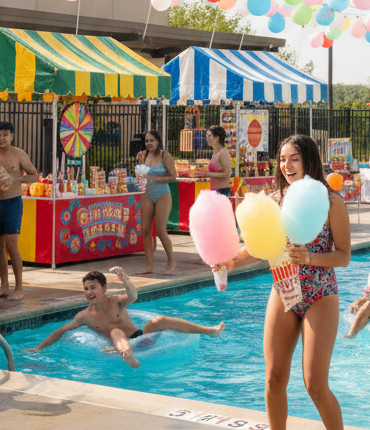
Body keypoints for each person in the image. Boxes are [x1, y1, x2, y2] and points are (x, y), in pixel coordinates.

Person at [215, 133, 352, 430]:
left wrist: (310, 256)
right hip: (284, 289)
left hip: (320, 292)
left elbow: (344, 255)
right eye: (282, 159)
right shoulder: (272, 201)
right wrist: (230, 262)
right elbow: (258, 248)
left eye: (293, 158)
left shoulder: (330, 201)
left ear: (308, 159)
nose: (286, 166)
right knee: (274, 377)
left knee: (314, 383)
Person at [26, 267, 224, 369]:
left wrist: (125, 278)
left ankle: (209, 331)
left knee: (159, 320)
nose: (89, 292)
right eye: (86, 289)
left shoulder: (116, 301)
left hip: (140, 337)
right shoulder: (84, 316)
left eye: (93, 287)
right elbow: (61, 331)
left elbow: (133, 296)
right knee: (115, 331)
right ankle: (128, 356)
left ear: (104, 288)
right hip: (116, 347)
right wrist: (38, 348)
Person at [0, 121, 37, 301]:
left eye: (5, 135)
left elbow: (34, 175)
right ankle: (3, 287)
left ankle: (19, 288)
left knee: (11, 245)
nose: (2, 138)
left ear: (12, 136)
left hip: (12, 204)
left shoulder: (19, 154)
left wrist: (15, 178)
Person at [136, 130, 178, 276]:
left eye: (152, 140)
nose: (149, 144)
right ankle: (149, 265)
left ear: (158, 141)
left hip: (162, 194)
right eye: (147, 141)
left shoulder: (165, 156)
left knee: (160, 230)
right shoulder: (143, 155)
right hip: (147, 193)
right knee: (146, 230)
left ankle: (171, 261)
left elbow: (173, 176)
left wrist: (155, 179)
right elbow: (139, 173)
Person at [206, 124, 232, 195]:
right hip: (215, 191)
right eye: (207, 136)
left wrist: (209, 174)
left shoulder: (223, 152)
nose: (207, 138)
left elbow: (227, 173)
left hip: (222, 191)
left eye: (209, 136)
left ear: (217, 137)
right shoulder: (215, 152)